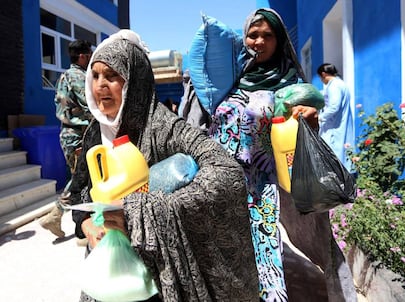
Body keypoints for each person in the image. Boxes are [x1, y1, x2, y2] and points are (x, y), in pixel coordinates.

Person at [69, 29, 259, 302]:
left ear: (134, 82)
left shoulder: (166, 128)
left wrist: (141, 214)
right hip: (109, 269)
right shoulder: (94, 135)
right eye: (95, 75)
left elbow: (225, 172)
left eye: (112, 76)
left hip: (155, 277)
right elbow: (78, 193)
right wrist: (87, 225)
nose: (100, 85)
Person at [208, 9, 357, 301]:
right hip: (239, 190)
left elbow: (306, 130)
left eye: (268, 35)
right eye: (253, 35)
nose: (259, 42)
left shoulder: (292, 85)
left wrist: (310, 119)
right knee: (252, 263)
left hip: (287, 185)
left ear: (279, 41)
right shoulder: (229, 81)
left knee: (310, 254)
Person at [39, 39, 93, 238]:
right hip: (78, 136)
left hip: (69, 135)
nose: (90, 59)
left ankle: (58, 216)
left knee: (79, 179)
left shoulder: (64, 77)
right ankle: (67, 221)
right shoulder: (79, 77)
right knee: (82, 181)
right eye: (88, 55)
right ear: (82, 56)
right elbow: (90, 108)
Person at [317, 63, 354, 171]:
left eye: (320, 78)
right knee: (342, 154)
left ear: (323, 74)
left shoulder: (334, 86)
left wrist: (320, 117)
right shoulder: (341, 84)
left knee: (333, 154)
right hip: (340, 124)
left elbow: (333, 107)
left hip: (334, 127)